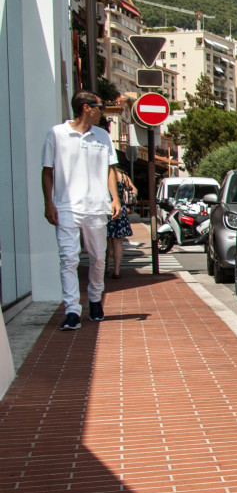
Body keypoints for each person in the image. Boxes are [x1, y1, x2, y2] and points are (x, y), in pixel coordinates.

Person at [41, 90, 122, 330]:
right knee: (68, 258)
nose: (102, 113)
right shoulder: (56, 134)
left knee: (98, 258)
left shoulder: (102, 136)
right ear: (86, 108)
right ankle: (72, 310)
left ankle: (95, 298)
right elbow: (47, 171)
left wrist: (114, 198)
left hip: (96, 207)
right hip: (66, 207)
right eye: (100, 107)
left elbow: (110, 169)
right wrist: (49, 203)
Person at [106, 163, 136, 279]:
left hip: (106, 208)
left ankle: (106, 266)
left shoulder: (105, 175)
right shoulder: (123, 177)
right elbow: (135, 191)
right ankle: (117, 270)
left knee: (106, 240)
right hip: (120, 209)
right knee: (118, 242)